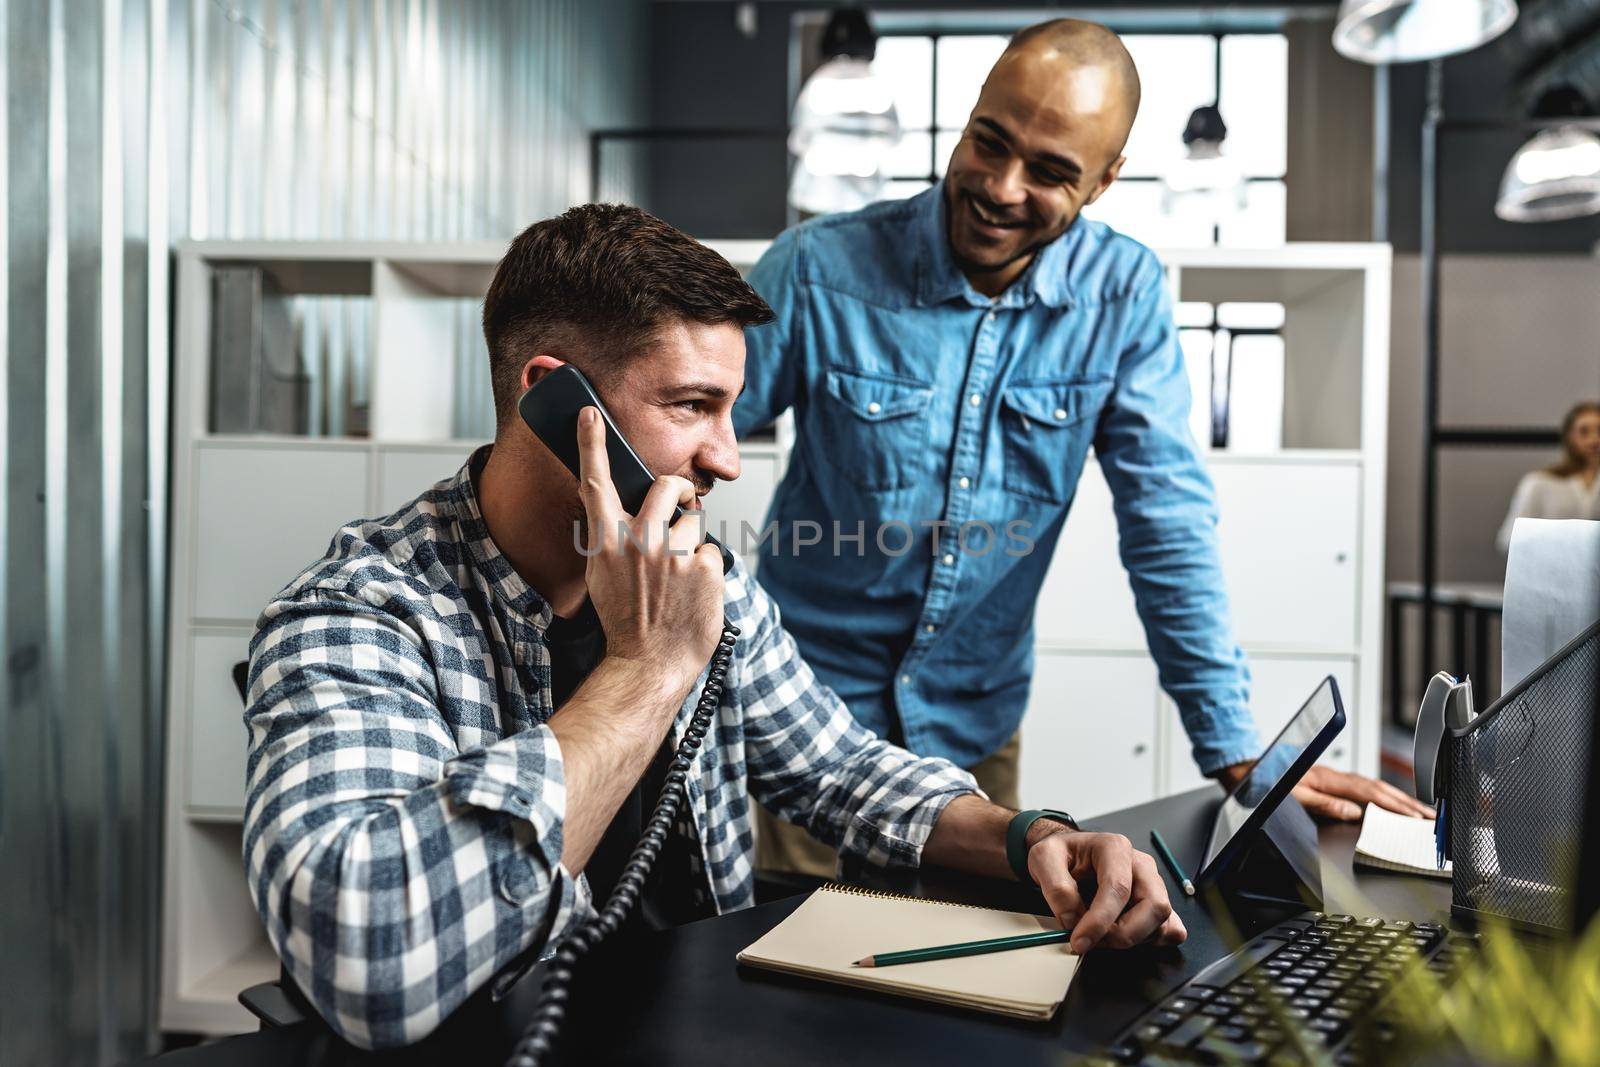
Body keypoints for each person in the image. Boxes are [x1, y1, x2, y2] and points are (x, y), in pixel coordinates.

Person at [241, 204, 1185, 1050]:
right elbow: (365, 962)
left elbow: (839, 771)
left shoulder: (707, 579)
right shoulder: (360, 612)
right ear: (552, 396)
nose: (727, 459)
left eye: (730, 410)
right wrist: (645, 673)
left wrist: (1027, 837)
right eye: (692, 405)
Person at [735, 18, 1429, 877]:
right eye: (990, 141)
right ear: (970, 115)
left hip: (973, 734)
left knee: (962, 993)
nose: (1000, 186)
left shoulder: (1122, 296)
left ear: (1104, 182)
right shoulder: (817, 268)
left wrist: (1237, 748)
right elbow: (681, 434)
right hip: (803, 731)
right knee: (789, 993)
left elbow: (1165, 520)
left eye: (1052, 172)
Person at [1496, 400, 1600, 554]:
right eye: (1584, 431)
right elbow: (1508, 539)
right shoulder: (1539, 483)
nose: (1594, 440)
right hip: (1551, 572)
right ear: (1570, 437)